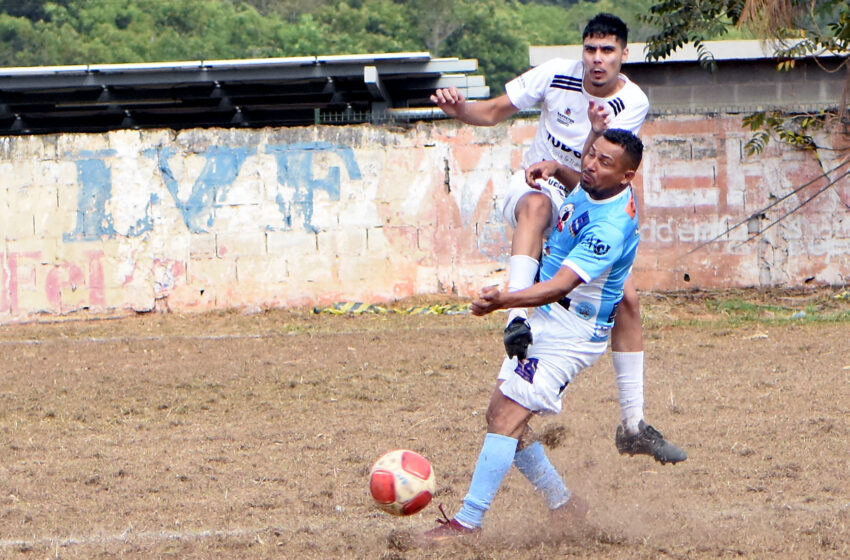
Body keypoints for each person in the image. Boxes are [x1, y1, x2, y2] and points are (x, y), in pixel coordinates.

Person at [431, 13, 682, 462]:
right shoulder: (554, 75)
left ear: (624, 55)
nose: (597, 59)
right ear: (581, 51)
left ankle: (633, 424)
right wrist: (459, 111)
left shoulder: (633, 102)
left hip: (582, 191)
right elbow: (491, 111)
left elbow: (599, 165)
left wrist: (593, 130)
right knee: (536, 205)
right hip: (540, 183)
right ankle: (517, 321)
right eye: (591, 49)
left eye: (608, 51)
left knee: (626, 300)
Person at [421, 129, 657, 544]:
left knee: (508, 417)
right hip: (548, 316)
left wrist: (505, 300)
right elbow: (579, 181)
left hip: (571, 331)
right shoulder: (593, 184)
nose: (590, 164)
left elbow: (560, 285)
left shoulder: (611, 228)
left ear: (627, 177)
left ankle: (467, 524)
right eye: (591, 155)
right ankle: (563, 504)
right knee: (501, 416)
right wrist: (559, 169)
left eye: (604, 162)